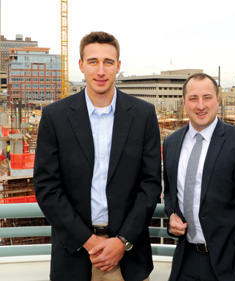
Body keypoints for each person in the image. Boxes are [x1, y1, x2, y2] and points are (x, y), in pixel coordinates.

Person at [34, 31, 161, 281]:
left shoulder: (144, 115)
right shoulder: (54, 117)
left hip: (128, 258)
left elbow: (150, 184)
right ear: (81, 65)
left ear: (118, 66)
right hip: (74, 255)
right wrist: (89, 241)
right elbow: (47, 187)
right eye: (93, 62)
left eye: (108, 62)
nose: (100, 70)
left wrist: (122, 242)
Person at [163, 73, 235, 281]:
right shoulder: (171, 143)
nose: (200, 105)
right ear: (184, 103)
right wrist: (171, 215)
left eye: (207, 97)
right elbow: (169, 191)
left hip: (232, 263)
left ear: (217, 101)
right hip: (185, 260)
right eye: (194, 99)